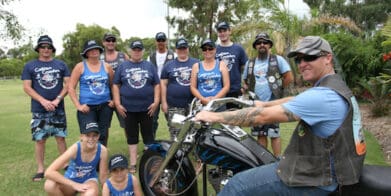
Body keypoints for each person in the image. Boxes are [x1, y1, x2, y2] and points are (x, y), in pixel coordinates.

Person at [195, 36, 366, 195]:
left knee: (236, 185)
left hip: (314, 178)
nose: (302, 63)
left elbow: (262, 117)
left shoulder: (324, 97)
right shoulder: (334, 88)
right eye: (299, 59)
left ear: (328, 58)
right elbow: (297, 99)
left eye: (309, 57)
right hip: (327, 170)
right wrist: (263, 103)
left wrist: (214, 117)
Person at [21, 35, 70, 181]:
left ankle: (65, 164)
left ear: (52, 49)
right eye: (43, 47)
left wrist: (57, 99)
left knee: (60, 137)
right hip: (39, 109)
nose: (46, 49)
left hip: (58, 108)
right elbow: (26, 87)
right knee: (40, 139)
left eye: (48, 47)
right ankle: (40, 169)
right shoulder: (30, 66)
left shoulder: (61, 65)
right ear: (38, 49)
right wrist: (43, 101)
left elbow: (68, 85)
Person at [242, 32, 294, 157]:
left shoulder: (278, 60)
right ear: (255, 46)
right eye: (259, 43)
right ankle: (263, 160)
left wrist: (278, 89)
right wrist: (245, 88)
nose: (262, 45)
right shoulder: (250, 63)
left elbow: (289, 77)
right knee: (260, 133)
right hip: (256, 103)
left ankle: (277, 160)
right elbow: (245, 80)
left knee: (274, 133)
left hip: (273, 103)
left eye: (265, 42)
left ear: (269, 45)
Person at [112, 40, 160, 174]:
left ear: (143, 51)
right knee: (132, 136)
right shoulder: (123, 66)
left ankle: (150, 162)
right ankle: (133, 162)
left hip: (147, 108)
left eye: (139, 49)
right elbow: (115, 84)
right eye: (134, 49)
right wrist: (117, 103)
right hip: (128, 109)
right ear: (130, 51)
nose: (137, 52)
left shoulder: (149, 66)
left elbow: (157, 84)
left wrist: (156, 101)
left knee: (148, 136)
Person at [68, 40, 114, 147]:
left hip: (105, 106)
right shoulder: (80, 66)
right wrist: (78, 106)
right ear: (86, 53)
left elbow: (112, 85)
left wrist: (113, 100)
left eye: (96, 49)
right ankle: (88, 159)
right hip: (87, 108)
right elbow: (71, 87)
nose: (94, 51)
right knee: (89, 134)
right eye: (91, 50)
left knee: (103, 133)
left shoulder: (107, 66)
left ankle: (101, 158)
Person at [44, 121, 108, 196]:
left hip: (89, 180)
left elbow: (103, 176)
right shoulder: (75, 149)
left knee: (91, 193)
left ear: (98, 136)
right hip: (71, 179)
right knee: (49, 184)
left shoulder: (102, 150)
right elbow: (48, 172)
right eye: (88, 135)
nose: (91, 138)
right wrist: (74, 184)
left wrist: (107, 193)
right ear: (81, 136)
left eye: (94, 135)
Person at [160, 38, 199, 140]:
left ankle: (192, 154)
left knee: (194, 132)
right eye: (180, 48)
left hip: (193, 105)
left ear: (188, 49)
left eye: (184, 48)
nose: (182, 50)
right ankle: (177, 155)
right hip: (174, 106)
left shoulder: (196, 63)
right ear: (176, 50)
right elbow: (163, 84)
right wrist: (163, 102)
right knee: (176, 132)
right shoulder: (169, 65)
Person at [148, 32, 175, 139]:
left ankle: (175, 140)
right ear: (156, 42)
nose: (161, 42)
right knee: (152, 118)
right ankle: (150, 141)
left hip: (168, 91)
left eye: (163, 40)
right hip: (154, 90)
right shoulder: (150, 56)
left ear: (166, 41)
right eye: (159, 40)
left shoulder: (173, 55)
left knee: (171, 117)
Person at [215, 21, 248, 108]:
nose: (222, 33)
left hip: (235, 90)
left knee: (235, 119)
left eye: (224, 30)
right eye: (220, 31)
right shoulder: (214, 49)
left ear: (229, 31)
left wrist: (245, 85)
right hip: (218, 91)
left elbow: (246, 68)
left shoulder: (238, 48)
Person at [101, 32, 130, 134]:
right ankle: (103, 149)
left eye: (113, 40)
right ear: (103, 42)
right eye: (108, 40)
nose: (111, 42)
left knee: (127, 124)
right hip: (105, 97)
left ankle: (131, 148)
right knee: (104, 127)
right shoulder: (99, 58)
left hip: (122, 96)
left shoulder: (123, 56)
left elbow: (131, 72)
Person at [190, 38, 230, 105]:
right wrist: (203, 99)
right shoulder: (196, 66)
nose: (207, 51)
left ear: (215, 49)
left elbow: (226, 86)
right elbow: (192, 87)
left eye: (210, 48)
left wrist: (215, 99)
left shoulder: (222, 64)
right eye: (204, 49)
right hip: (201, 104)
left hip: (218, 104)